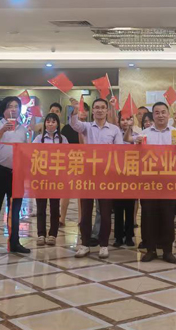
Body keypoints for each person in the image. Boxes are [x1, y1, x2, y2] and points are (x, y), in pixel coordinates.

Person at [68, 97, 123, 259]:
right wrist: (75, 111)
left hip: (106, 175)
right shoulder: (86, 127)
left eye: (102, 107)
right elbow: (74, 125)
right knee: (86, 211)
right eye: (96, 107)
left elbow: (120, 151)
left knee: (105, 212)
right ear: (93, 111)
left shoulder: (114, 129)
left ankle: (104, 245)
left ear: (107, 110)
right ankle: (85, 244)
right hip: (88, 174)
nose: (99, 110)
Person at [134, 102, 176, 263]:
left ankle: (167, 250)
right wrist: (136, 145)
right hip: (149, 181)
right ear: (152, 115)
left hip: (169, 181)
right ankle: (150, 249)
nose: (160, 115)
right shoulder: (144, 134)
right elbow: (135, 154)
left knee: (167, 215)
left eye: (163, 112)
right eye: (157, 112)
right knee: (148, 215)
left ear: (168, 114)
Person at [0, 96, 30, 258]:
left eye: (16, 106)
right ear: (4, 110)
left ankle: (15, 242)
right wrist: (3, 130)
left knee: (15, 209)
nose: (13, 109)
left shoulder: (23, 129)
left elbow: (26, 151)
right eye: (10, 106)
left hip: (17, 173)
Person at [34, 112, 67, 246]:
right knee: (41, 207)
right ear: (45, 124)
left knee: (54, 207)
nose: (50, 124)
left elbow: (68, 156)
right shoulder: (39, 138)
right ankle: (41, 234)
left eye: (53, 122)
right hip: (41, 177)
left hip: (56, 178)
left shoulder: (63, 139)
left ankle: (53, 234)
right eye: (48, 122)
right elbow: (31, 153)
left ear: (57, 124)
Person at [59, 101, 88, 227]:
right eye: (79, 110)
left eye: (84, 110)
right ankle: (62, 218)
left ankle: (81, 219)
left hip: (85, 163)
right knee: (66, 191)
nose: (82, 112)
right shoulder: (66, 128)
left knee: (82, 193)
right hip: (69, 162)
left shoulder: (89, 127)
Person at [113, 112, 137, 247]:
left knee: (130, 207)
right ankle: (118, 236)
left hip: (131, 174)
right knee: (117, 208)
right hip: (116, 174)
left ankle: (129, 236)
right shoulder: (115, 133)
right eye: (122, 119)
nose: (125, 122)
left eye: (128, 119)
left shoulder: (138, 134)